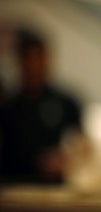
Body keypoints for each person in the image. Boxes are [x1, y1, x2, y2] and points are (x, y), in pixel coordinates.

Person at [0, 28, 81, 184]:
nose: (35, 66)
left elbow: (80, 146)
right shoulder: (7, 107)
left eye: (39, 58)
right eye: (29, 59)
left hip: (58, 189)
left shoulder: (67, 103)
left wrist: (66, 159)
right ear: (19, 62)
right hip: (14, 186)